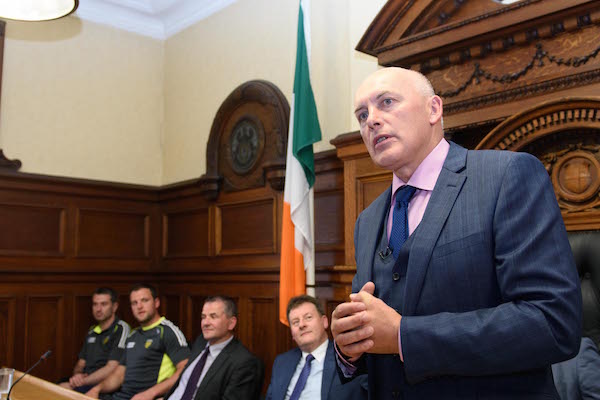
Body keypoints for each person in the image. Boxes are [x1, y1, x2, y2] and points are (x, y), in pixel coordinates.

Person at [330, 67, 582, 399]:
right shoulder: (367, 219)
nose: (371, 120)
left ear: (434, 109)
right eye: (362, 115)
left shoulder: (506, 175)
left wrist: (405, 336)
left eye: (386, 102)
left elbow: (552, 323)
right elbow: (375, 335)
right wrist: (349, 345)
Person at [87, 283, 190, 400]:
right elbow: (119, 375)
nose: (139, 306)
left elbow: (186, 369)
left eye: (144, 300)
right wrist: (97, 389)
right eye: (134, 303)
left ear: (156, 303)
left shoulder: (167, 331)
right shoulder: (133, 335)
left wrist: (150, 393)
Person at [266, 295, 367, 400]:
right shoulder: (282, 362)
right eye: (295, 322)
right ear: (292, 333)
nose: (302, 325)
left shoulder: (347, 357)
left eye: (308, 317)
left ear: (324, 322)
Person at [165, 295, 263, 400]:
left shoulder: (244, 363)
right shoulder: (200, 342)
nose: (205, 323)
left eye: (213, 316)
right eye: (203, 317)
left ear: (231, 323)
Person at [60, 287, 130, 393]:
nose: (98, 309)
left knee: (60, 390)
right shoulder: (92, 331)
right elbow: (80, 364)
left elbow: (112, 367)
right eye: (95, 304)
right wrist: (77, 375)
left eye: (103, 304)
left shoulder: (121, 328)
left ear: (114, 307)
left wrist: (83, 381)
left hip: (104, 386)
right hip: (85, 382)